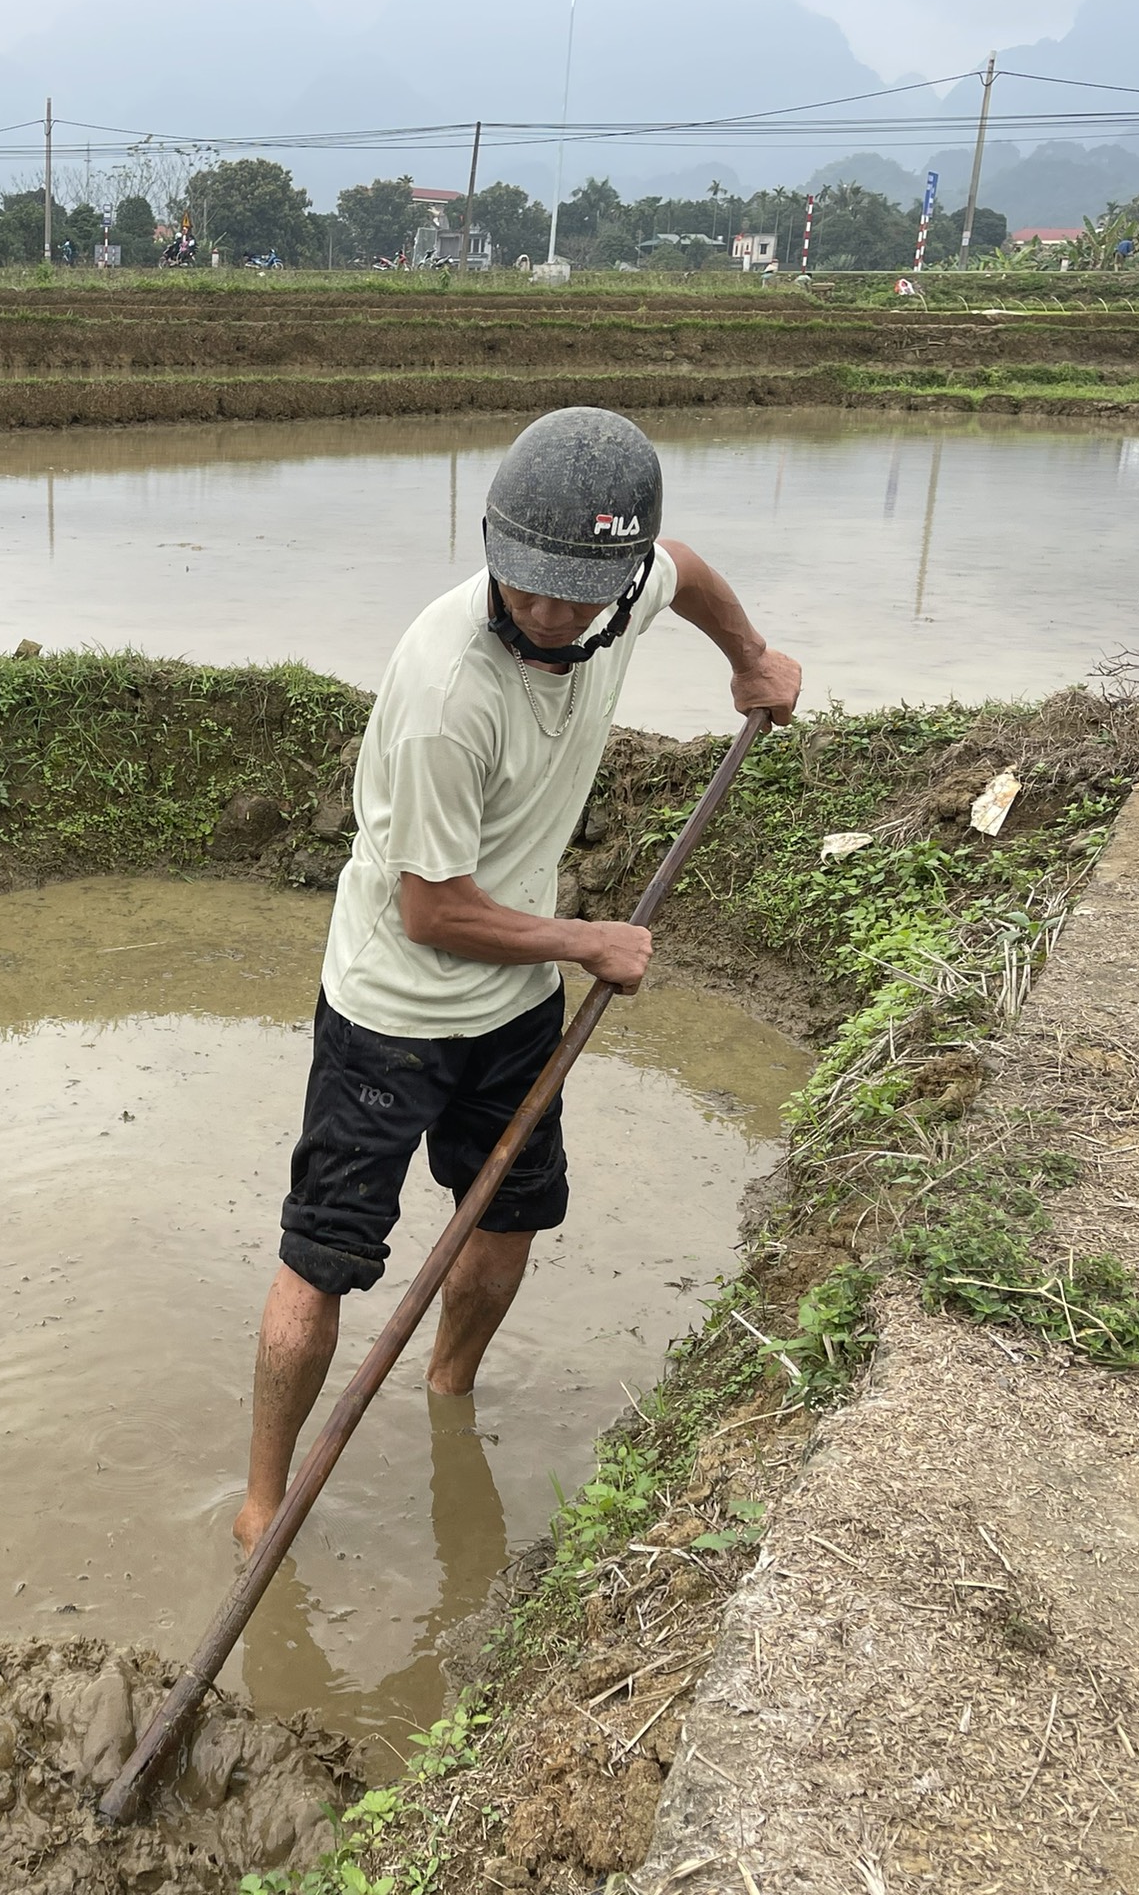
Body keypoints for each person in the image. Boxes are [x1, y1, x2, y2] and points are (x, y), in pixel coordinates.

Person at [234, 406, 803, 1554]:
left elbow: (681, 570)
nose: (549, 614)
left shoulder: (620, 584)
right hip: (390, 1015)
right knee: (324, 1254)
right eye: (529, 586)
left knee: (508, 1216)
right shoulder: (449, 694)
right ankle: (262, 1503)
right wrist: (589, 940)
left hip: (513, 1012)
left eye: (576, 593)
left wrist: (748, 659)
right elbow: (431, 911)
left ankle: (448, 1392)